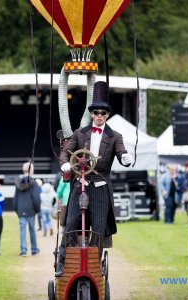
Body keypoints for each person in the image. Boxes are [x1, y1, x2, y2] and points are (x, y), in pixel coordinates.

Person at [56, 81, 133, 276]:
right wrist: (65, 164)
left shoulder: (115, 136)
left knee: (97, 228)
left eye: (103, 113)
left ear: (107, 115)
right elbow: (65, 153)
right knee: (71, 223)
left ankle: (93, 265)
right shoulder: (80, 133)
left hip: (100, 187)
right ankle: (64, 264)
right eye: (96, 112)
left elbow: (122, 153)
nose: (99, 116)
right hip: (80, 184)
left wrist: (126, 158)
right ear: (91, 114)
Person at [13, 162, 41, 257]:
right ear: (31, 170)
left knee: (22, 231)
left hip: (21, 209)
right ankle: (34, 249)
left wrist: (17, 210)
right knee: (32, 230)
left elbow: (15, 198)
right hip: (31, 210)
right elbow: (36, 198)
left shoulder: (18, 182)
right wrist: (37, 209)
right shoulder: (34, 183)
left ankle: (23, 250)